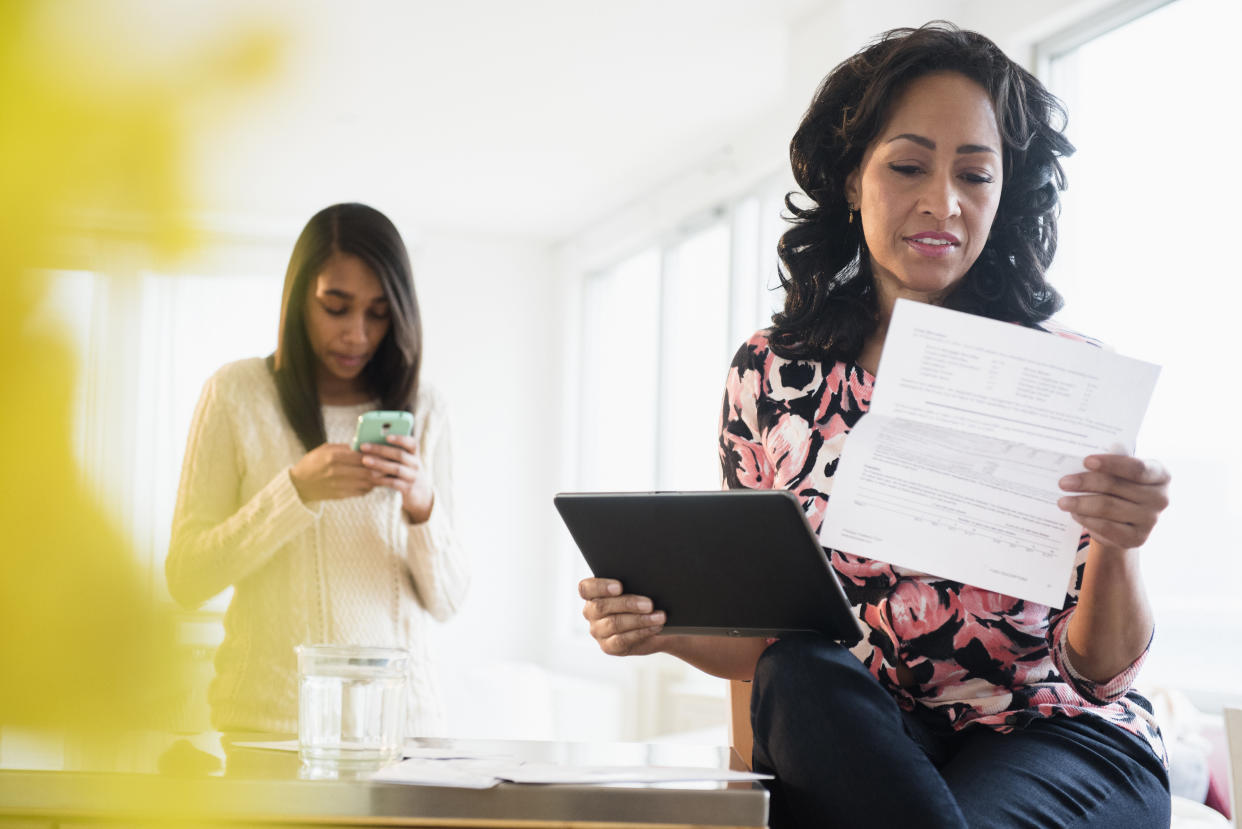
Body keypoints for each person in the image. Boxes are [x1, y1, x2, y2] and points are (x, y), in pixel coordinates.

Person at [578, 23, 1171, 828]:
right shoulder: (770, 376)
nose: (944, 202)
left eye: (975, 174)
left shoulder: (1063, 376)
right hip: (866, 740)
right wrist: (662, 629)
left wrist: (1119, 542)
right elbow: (763, 640)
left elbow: (1100, 672)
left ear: (1005, 193)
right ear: (852, 180)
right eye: (908, 165)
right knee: (799, 669)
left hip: (1056, 731)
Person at [167, 202, 468, 737]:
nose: (357, 334)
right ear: (299, 299)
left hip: (404, 735)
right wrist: (295, 491)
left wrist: (423, 505)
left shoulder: (427, 408)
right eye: (336, 306)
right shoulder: (235, 394)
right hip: (267, 731)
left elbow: (448, 602)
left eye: (378, 313)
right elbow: (187, 579)